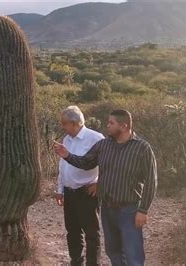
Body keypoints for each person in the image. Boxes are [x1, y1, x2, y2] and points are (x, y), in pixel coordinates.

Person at [54, 109, 157, 266]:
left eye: (111, 123)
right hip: (108, 208)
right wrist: (67, 155)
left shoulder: (142, 148)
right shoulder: (104, 145)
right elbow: (86, 163)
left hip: (129, 210)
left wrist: (143, 210)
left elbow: (151, 180)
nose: (107, 126)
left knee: (132, 253)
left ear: (124, 126)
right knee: (113, 251)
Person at [55, 105, 104, 266]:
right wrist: (60, 189)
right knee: (73, 231)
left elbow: (108, 165)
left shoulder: (96, 138)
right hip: (70, 193)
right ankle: (76, 261)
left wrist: (99, 183)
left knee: (91, 233)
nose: (62, 126)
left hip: (86, 193)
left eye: (64, 123)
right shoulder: (67, 139)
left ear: (75, 123)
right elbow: (63, 166)